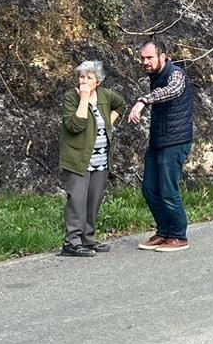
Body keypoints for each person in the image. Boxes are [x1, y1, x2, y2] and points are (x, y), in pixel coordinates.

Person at [128, 38, 194, 250]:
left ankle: (178, 235)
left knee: (167, 190)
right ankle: (164, 231)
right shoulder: (155, 76)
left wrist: (142, 100)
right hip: (158, 140)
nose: (145, 62)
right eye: (142, 58)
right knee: (149, 189)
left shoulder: (176, 74)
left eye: (149, 58)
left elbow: (172, 90)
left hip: (175, 141)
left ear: (163, 57)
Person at [57, 60, 126, 256]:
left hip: (101, 159)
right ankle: (72, 242)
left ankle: (87, 239)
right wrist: (84, 99)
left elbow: (120, 105)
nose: (84, 80)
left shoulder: (105, 95)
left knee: (93, 200)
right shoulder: (71, 97)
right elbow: (75, 125)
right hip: (77, 159)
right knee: (77, 201)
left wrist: (109, 124)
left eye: (89, 77)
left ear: (98, 81)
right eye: (81, 76)